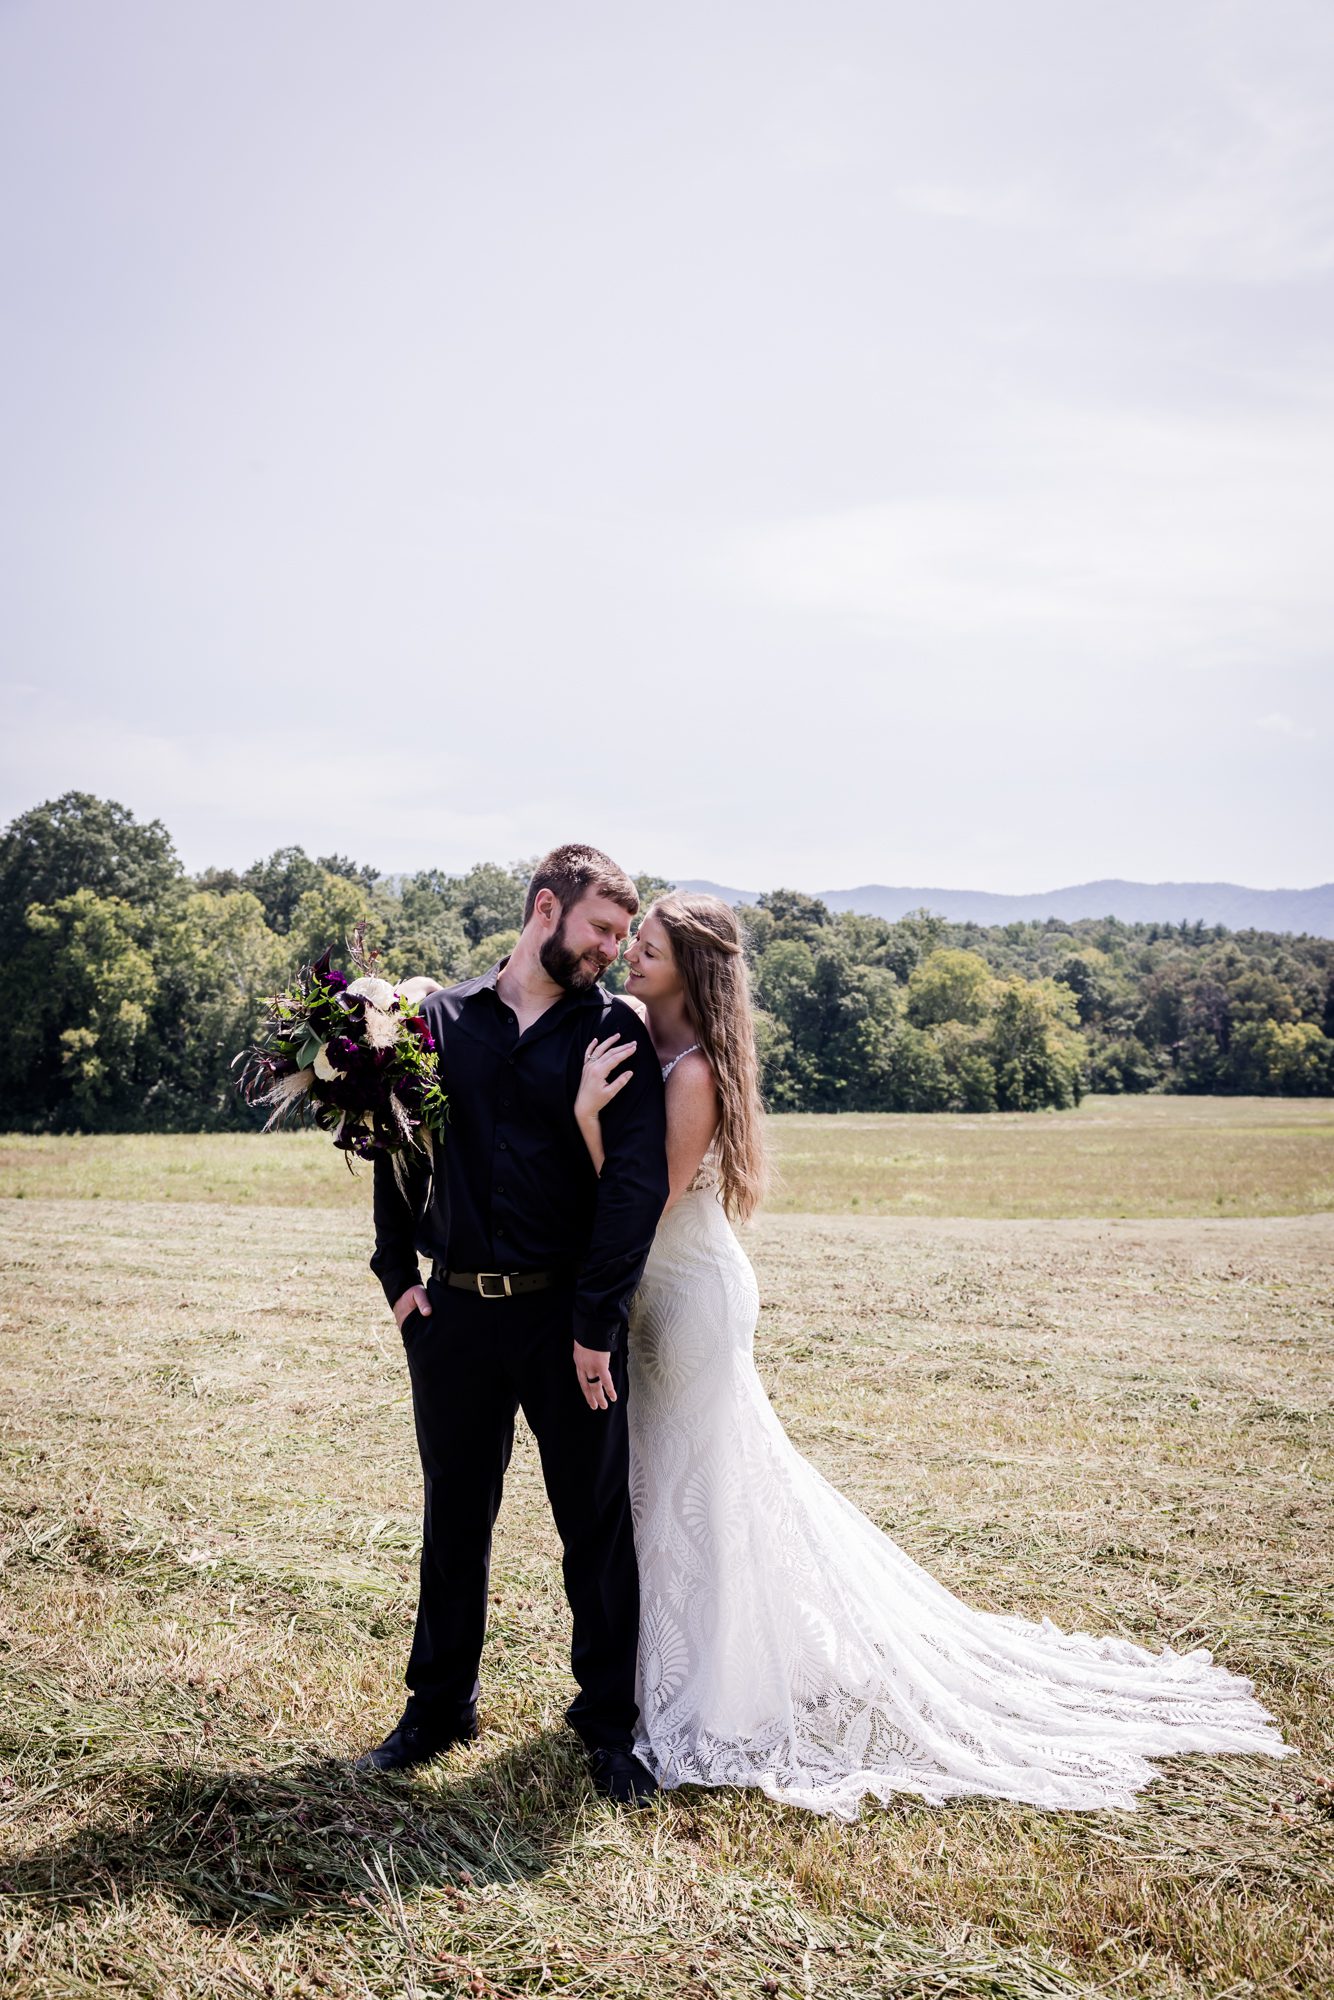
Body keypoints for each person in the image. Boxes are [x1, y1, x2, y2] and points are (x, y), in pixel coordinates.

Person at [573, 890, 1293, 1819]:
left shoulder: (696, 1073)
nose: (632, 952)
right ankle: (672, 1672)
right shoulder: (643, 1034)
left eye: (653, 945)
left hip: (690, 1300)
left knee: (698, 1486)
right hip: (651, 1296)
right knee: (666, 1483)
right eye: (634, 937)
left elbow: (651, 1200)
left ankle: (716, 1693)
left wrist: (593, 1121)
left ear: (695, 966)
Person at [360, 844, 668, 1803]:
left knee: (594, 1522)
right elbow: (394, 1144)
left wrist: (595, 1323)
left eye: (624, 937)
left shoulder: (615, 1028)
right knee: (455, 1515)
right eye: (603, 931)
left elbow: (633, 1183)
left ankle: (608, 1725)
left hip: (566, 1320)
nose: (615, 953)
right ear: (546, 909)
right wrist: (398, 1279)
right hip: (451, 1317)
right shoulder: (439, 1020)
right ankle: (439, 1706)